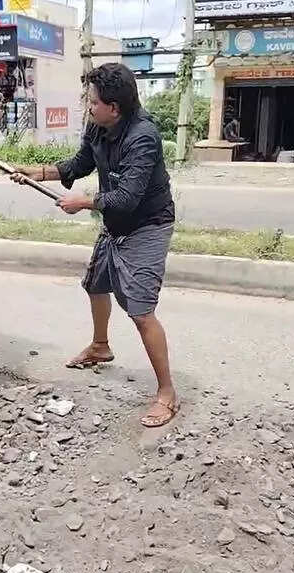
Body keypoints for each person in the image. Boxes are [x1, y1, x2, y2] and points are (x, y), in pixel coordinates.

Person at [11, 62, 179, 428]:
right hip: (115, 223)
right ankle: (101, 347)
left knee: (140, 310)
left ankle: (167, 393)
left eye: (93, 102)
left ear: (114, 107)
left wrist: (85, 202)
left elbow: (127, 198)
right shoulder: (98, 127)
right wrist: (36, 172)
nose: (88, 107)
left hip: (147, 225)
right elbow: (80, 163)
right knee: (96, 283)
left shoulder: (143, 137)